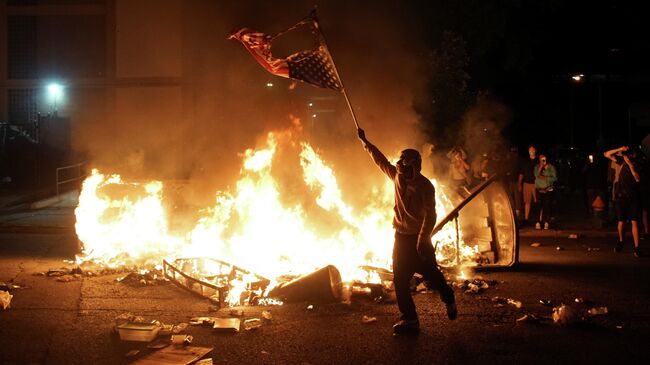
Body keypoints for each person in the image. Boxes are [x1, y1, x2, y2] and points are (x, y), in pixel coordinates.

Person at [357, 128, 457, 335]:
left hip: (419, 238)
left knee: (431, 275)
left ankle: (448, 297)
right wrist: (366, 143)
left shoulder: (425, 186)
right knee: (400, 279)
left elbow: (431, 215)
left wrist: (423, 239)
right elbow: (381, 161)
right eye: (400, 163)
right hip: (401, 237)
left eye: (406, 163)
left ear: (415, 166)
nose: (401, 167)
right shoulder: (396, 178)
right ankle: (410, 319)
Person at [604, 146, 642, 257]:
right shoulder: (621, 161)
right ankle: (621, 241)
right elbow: (606, 154)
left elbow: (638, 178)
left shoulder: (638, 164)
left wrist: (630, 165)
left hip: (633, 196)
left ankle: (637, 247)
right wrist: (619, 149)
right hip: (621, 196)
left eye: (629, 154)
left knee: (635, 221)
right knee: (622, 221)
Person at [534, 154, 557, 229]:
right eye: (541, 159)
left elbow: (555, 178)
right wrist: (541, 168)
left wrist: (545, 177)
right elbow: (536, 175)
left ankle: (546, 222)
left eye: (544, 159)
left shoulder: (551, 167)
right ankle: (537, 222)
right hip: (539, 189)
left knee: (547, 206)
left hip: (548, 189)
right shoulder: (537, 167)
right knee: (538, 206)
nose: (543, 161)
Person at [518, 145, 538, 225]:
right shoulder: (525, 161)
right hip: (526, 183)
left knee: (537, 201)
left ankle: (538, 219)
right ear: (528, 151)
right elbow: (521, 173)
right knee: (527, 202)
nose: (531, 151)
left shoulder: (538, 161)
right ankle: (526, 219)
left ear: (535, 151)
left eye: (533, 150)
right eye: (530, 150)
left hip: (536, 184)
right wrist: (520, 183)